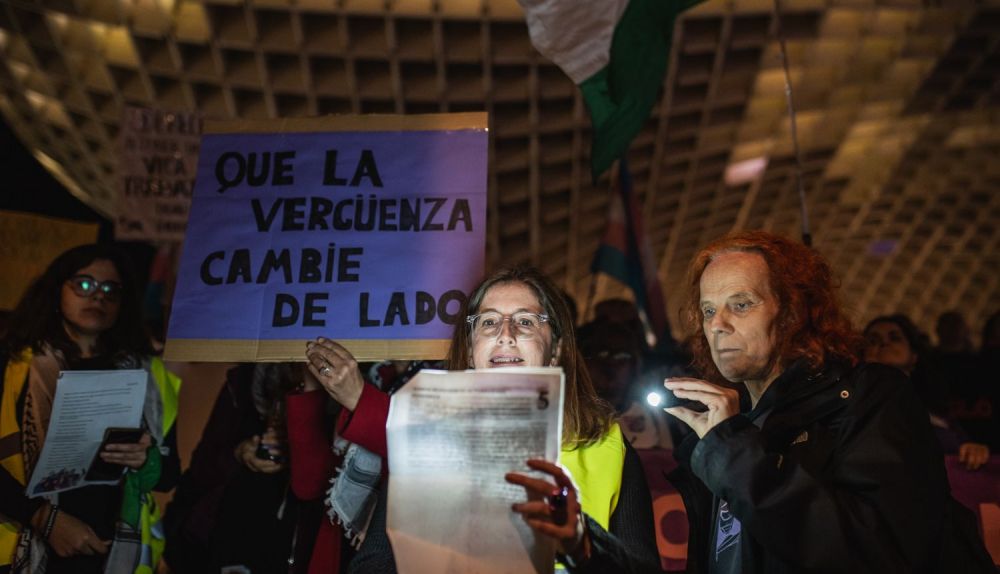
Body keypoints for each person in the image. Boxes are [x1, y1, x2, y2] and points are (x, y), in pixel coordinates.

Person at [662, 231, 992, 573]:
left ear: (792, 313)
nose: (717, 324)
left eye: (741, 304)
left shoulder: (870, 396)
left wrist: (732, 453)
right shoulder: (729, 426)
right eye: (708, 309)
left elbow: (878, 553)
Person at [303, 266, 660, 572]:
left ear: (555, 351)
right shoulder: (429, 437)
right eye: (488, 322)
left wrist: (583, 545)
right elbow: (375, 564)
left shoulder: (606, 442)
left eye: (525, 321)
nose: (505, 334)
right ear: (472, 350)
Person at [0, 244, 181, 573]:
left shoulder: (149, 374)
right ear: (57, 289)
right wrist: (46, 519)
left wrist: (147, 458)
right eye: (84, 284)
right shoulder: (13, 364)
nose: (98, 297)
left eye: (111, 289)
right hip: (25, 552)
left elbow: (169, 475)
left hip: (113, 554)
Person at [163, 363, 325, 573]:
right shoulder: (241, 384)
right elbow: (202, 468)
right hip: (234, 533)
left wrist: (298, 450)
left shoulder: (338, 384)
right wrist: (239, 453)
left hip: (300, 539)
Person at [864, 314, 990, 470]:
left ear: (913, 356)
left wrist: (975, 450)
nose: (884, 343)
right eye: (873, 341)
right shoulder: (853, 407)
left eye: (895, 338)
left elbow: (967, 446)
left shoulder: (935, 409)